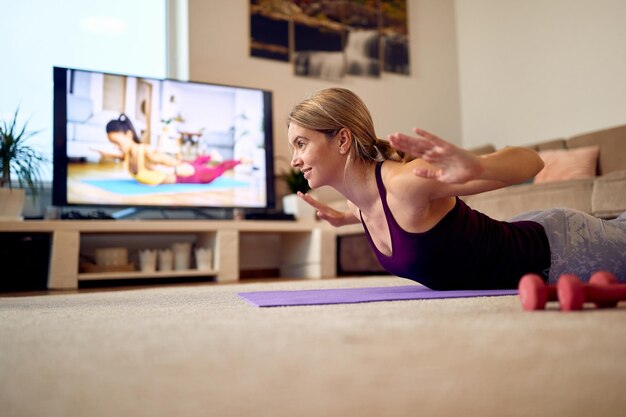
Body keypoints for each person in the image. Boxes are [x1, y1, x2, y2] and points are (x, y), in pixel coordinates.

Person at [288, 88, 626, 290]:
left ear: (343, 139)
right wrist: (344, 218)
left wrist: (479, 167)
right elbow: (381, 212)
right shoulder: (363, 201)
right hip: (531, 235)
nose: (294, 160)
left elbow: (531, 161)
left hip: (563, 250)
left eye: (301, 144)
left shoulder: (406, 183)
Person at [97, 114, 240, 185]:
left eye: (116, 142)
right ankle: (208, 157)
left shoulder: (147, 152)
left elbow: (181, 166)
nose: (115, 146)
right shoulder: (128, 155)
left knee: (215, 170)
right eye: (112, 143)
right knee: (194, 162)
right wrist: (108, 154)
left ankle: (239, 160)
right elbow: (122, 157)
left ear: (128, 135)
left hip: (187, 176)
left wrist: (174, 170)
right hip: (181, 171)